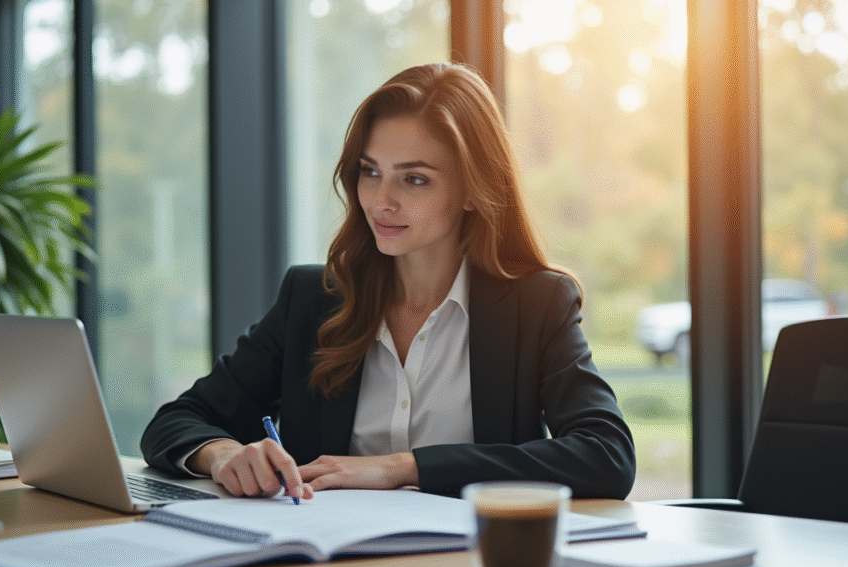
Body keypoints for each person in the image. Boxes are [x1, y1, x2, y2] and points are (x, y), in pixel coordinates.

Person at [141, 62, 635, 501]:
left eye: (414, 178)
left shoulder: (536, 303)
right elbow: (175, 423)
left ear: (471, 189)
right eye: (370, 172)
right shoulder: (312, 301)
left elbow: (606, 456)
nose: (381, 201)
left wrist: (403, 467)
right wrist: (224, 454)